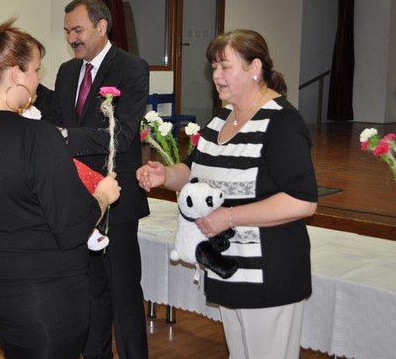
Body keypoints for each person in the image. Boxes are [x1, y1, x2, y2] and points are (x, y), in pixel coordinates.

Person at [0, 15, 120, 359]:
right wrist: (102, 196)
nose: (39, 79)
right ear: (15, 74)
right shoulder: (38, 136)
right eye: (36, 70)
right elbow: (72, 225)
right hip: (42, 292)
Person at [136, 29, 318, 359]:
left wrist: (229, 217)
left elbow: (302, 201)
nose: (216, 76)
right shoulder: (223, 118)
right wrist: (166, 175)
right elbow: (193, 170)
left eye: (225, 67)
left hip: (268, 272)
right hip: (230, 268)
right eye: (213, 67)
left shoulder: (282, 123)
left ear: (255, 68)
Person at [47, 0, 150, 359]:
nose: (71, 38)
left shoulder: (132, 68)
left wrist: (65, 136)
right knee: (91, 292)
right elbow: (56, 122)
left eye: (77, 30)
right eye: (67, 32)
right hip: (81, 200)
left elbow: (122, 134)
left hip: (117, 198)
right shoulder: (66, 71)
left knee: (124, 293)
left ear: (101, 27)